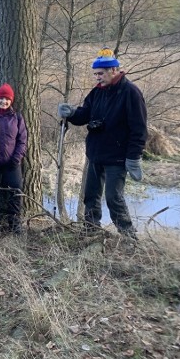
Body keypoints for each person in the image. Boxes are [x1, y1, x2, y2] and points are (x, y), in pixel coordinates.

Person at [58, 49, 147, 238]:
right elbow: (84, 115)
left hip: (117, 156)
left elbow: (139, 130)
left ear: (113, 70)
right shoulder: (96, 93)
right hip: (95, 154)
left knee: (113, 198)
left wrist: (134, 157)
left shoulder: (130, 93)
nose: (97, 78)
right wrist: (72, 113)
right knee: (91, 196)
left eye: (100, 73)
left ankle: (128, 236)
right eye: (96, 74)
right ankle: (91, 230)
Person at [0, 84, 28, 235]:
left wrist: (16, 158)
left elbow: (22, 139)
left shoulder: (17, 117)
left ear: (11, 101)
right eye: (1, 98)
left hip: (12, 163)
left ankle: (14, 223)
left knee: (16, 192)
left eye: (7, 99)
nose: (3, 101)